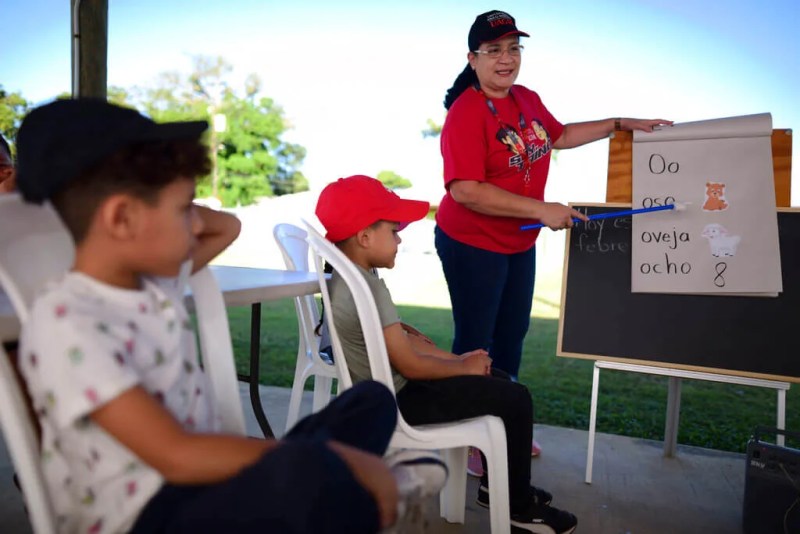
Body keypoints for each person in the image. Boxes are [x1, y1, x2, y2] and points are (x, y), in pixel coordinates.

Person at [14, 99, 446, 534]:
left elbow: (227, 227)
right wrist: (327, 459)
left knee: (369, 401)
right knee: (305, 471)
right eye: (185, 208)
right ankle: (363, 487)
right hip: (149, 512)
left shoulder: (152, 284)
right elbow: (176, 455)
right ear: (123, 217)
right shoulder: (67, 323)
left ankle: (348, 486)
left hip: (204, 477)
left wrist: (164, 201)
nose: (197, 223)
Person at [315, 174, 578, 534]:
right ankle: (518, 509)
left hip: (384, 393)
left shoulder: (348, 279)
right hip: (401, 400)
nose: (400, 238)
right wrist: (464, 367)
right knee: (514, 398)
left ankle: (499, 487)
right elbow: (411, 365)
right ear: (364, 237)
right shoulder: (369, 289)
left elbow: (403, 345)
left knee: (497, 382)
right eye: (393, 230)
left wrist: (457, 361)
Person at [436, 9, 671, 380]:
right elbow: (465, 190)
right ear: (473, 58)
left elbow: (559, 136)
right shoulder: (466, 112)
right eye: (494, 50)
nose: (506, 58)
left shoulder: (526, 98)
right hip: (471, 242)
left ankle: (501, 422)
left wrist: (619, 124)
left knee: (512, 337)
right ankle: (469, 431)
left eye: (514, 48)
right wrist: (541, 209)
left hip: (517, 242)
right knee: (476, 344)